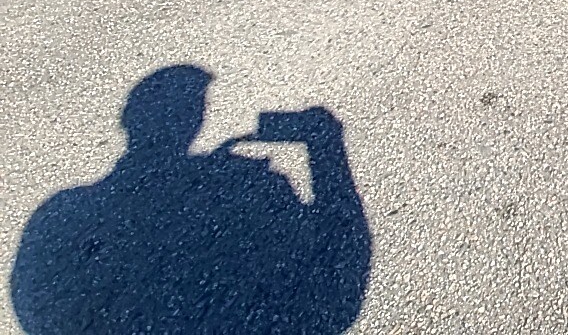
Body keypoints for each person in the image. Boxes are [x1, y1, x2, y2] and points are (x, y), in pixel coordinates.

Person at [10, 65, 371, 334]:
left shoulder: (59, 214)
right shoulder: (249, 183)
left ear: (127, 122)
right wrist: (327, 149)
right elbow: (338, 280)